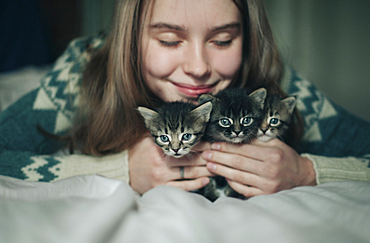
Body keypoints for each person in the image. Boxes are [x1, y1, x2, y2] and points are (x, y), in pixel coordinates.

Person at [0, 0, 369, 198]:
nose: (198, 68)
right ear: (131, 38)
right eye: (169, 40)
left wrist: (306, 173)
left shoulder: (273, 83)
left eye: (223, 40)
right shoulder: (82, 71)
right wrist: (119, 171)